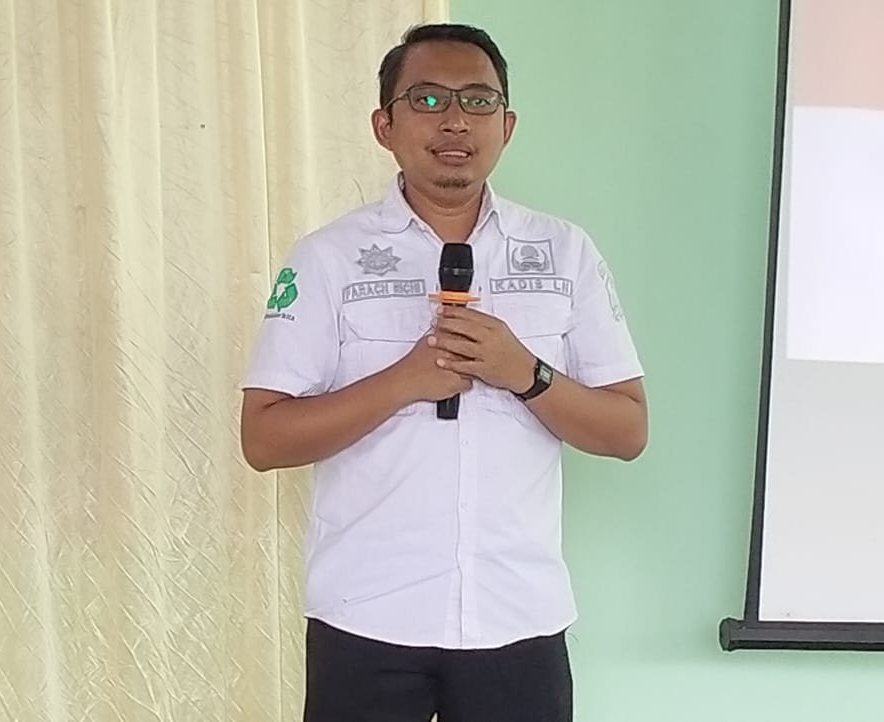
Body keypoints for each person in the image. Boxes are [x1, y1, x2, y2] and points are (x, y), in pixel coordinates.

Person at [240, 23, 648, 722]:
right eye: (427, 100)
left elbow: (626, 430)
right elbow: (264, 439)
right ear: (384, 126)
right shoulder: (327, 258)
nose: (455, 120)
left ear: (507, 125)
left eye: (477, 100)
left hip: (517, 617)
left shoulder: (564, 253)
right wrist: (403, 381)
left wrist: (525, 373)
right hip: (366, 618)